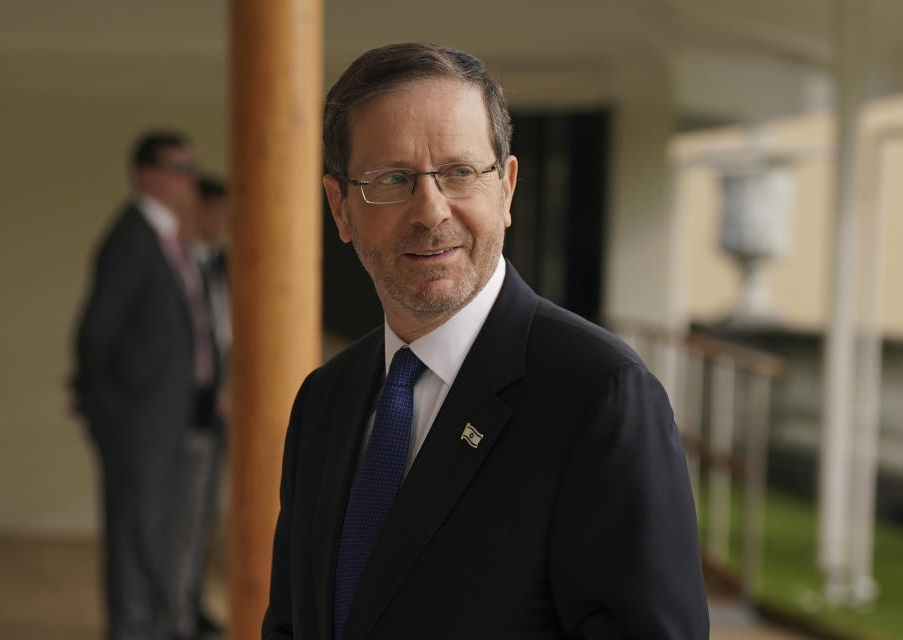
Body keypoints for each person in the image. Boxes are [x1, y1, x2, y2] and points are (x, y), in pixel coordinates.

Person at [261, 43, 708, 639]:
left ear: (507, 189)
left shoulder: (599, 396)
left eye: (459, 172)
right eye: (392, 180)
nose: (430, 209)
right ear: (341, 209)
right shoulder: (325, 400)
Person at [73, 130, 215, 640]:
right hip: (138, 423)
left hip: (170, 417)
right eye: (179, 167)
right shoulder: (132, 238)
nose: (190, 180)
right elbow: (95, 333)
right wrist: (110, 417)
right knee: (135, 544)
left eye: (192, 168)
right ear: (146, 175)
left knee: (161, 540)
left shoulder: (167, 239)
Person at [167, 175, 231, 640]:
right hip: (187, 413)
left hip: (218, 410)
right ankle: (175, 616)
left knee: (203, 517)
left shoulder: (218, 263)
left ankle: (190, 603)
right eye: (221, 212)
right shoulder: (182, 262)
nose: (227, 222)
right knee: (184, 520)